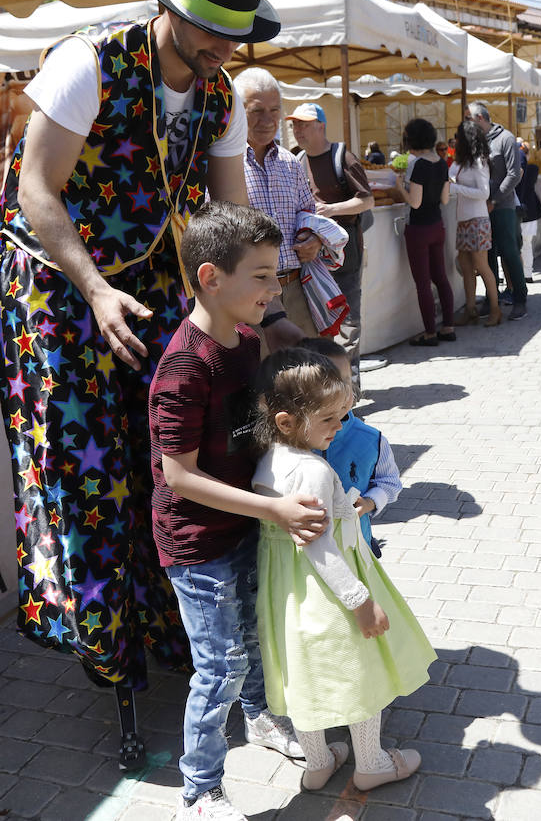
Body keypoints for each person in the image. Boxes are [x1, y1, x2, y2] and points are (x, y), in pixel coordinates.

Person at [0, 0, 285, 770]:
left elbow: (226, 220)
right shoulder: (87, 63)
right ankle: (106, 650)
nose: (221, 50)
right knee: (92, 469)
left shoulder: (221, 93)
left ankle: (174, 629)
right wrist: (92, 287)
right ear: (169, 7)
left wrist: (257, 307)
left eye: (237, 34)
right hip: (62, 285)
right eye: (209, 32)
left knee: (181, 452)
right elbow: (34, 189)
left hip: (160, 283)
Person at [149, 203, 331, 821]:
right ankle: (199, 789)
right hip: (196, 540)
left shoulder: (249, 342)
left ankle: (258, 719)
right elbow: (178, 476)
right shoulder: (181, 370)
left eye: (275, 272)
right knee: (218, 664)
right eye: (261, 275)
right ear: (210, 278)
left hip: (248, 522)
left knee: (254, 633)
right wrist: (274, 509)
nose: (275, 287)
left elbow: (261, 432)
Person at [251, 348, 437, 793]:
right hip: (327, 590)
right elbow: (320, 549)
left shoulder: (266, 461)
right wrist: (361, 601)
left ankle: (318, 763)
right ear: (287, 422)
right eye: (332, 419)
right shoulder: (312, 470)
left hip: (286, 593)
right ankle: (370, 761)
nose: (341, 426)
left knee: (304, 676)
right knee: (360, 673)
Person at [234, 68, 348, 340]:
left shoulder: (290, 163)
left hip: (298, 288)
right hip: (250, 295)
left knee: (308, 371)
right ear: (237, 112)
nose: (268, 120)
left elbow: (308, 215)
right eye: (257, 111)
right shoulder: (225, 165)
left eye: (274, 110)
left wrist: (314, 239)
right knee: (264, 376)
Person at [287, 103, 376, 386]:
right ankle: (327, 387)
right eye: (295, 125)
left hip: (346, 252)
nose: (297, 130)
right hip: (311, 256)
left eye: (304, 124)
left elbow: (367, 200)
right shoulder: (295, 160)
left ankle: (350, 390)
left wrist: (332, 209)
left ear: (321, 126)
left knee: (348, 320)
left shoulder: (342, 157)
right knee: (318, 319)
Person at [299, 337, 402, 558]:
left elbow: (390, 482)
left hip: (357, 548)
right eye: (329, 383)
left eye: (346, 380)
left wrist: (370, 501)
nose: (343, 391)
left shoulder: (371, 440)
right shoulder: (289, 440)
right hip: (304, 555)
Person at [390, 118, 455, 346]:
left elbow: (415, 203)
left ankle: (429, 333)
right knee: (441, 278)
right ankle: (448, 326)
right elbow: (445, 199)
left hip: (418, 228)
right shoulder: (442, 163)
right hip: (437, 225)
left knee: (423, 283)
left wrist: (399, 187)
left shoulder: (417, 165)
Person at [466, 101, 526, 320]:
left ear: (480, 118)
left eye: (469, 119)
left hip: (502, 206)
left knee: (509, 253)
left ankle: (520, 299)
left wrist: (495, 199)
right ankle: (493, 300)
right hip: (481, 207)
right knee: (486, 255)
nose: (467, 123)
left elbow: (514, 174)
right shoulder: (476, 142)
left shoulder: (506, 139)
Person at [449, 120, 501, 327]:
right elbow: (451, 175)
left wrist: (456, 189)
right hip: (464, 220)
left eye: (458, 136)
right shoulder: (461, 161)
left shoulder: (479, 162)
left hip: (477, 220)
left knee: (481, 265)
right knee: (466, 266)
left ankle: (495, 309)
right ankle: (471, 309)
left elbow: (484, 193)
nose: (455, 139)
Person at [516, 146, 541, 282]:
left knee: (515, 245)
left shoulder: (512, 169)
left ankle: (513, 275)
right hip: (530, 210)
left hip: (519, 210)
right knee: (527, 244)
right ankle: (527, 274)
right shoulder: (533, 169)